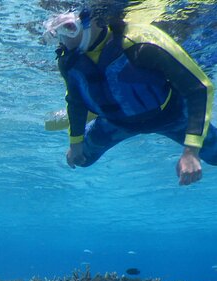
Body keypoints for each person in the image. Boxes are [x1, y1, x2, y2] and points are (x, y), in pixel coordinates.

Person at [44, 8, 216, 185]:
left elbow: (199, 89)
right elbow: (75, 101)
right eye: (56, 33)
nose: (64, 41)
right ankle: (98, 111)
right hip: (116, 122)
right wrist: (75, 143)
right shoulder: (69, 61)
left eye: (69, 28)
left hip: (171, 115)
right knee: (82, 160)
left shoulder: (141, 43)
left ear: (96, 20)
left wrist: (191, 152)